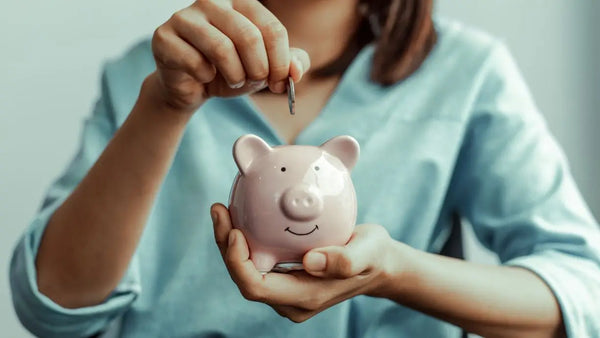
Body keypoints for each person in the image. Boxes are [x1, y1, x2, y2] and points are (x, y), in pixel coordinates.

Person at [9, 0, 600, 337]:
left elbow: (584, 294)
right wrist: (164, 107)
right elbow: (53, 307)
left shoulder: (467, 74)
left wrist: (396, 270)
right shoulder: (145, 79)